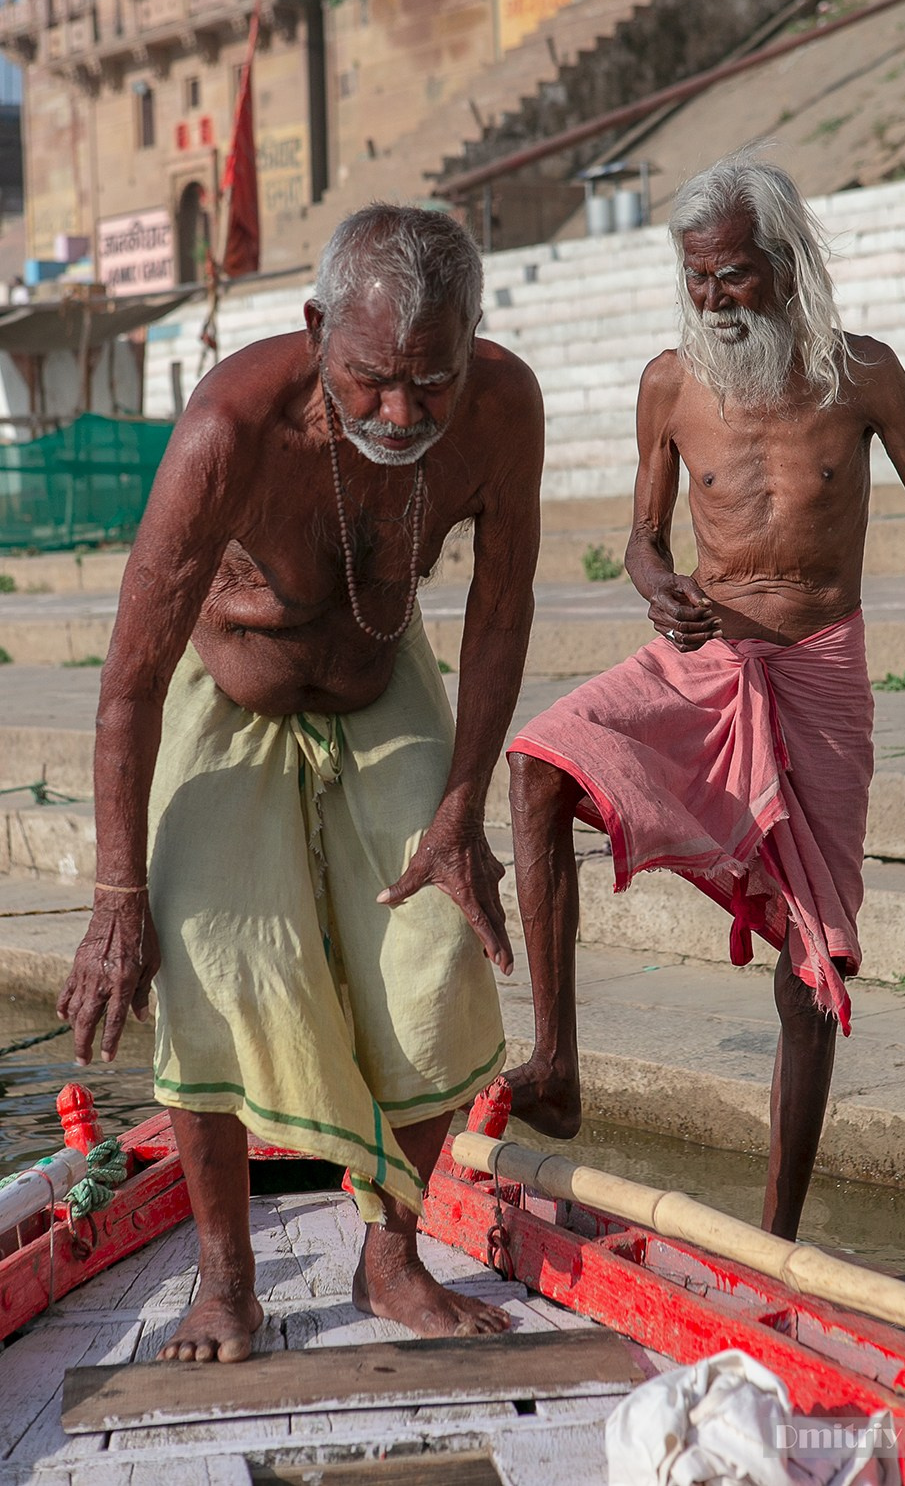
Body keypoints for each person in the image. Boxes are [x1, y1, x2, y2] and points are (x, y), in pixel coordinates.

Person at [58, 205, 543, 1356]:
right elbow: (127, 683)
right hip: (229, 694)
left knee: (440, 954)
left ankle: (390, 1258)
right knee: (212, 957)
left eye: (434, 381)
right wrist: (117, 902)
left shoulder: (502, 408)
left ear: (474, 341)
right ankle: (226, 1282)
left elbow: (503, 605)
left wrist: (463, 806)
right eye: (374, 380)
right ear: (318, 327)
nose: (402, 413)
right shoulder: (231, 426)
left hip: (385, 681)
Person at [505, 150, 905, 1239]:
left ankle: (777, 1242)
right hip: (700, 662)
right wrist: (650, 576)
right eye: (697, 280)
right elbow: (642, 533)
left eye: (731, 276)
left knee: (811, 971)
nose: (712, 301)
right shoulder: (669, 384)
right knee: (537, 768)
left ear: (782, 259)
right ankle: (558, 1061)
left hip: (818, 675)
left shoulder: (864, 376)